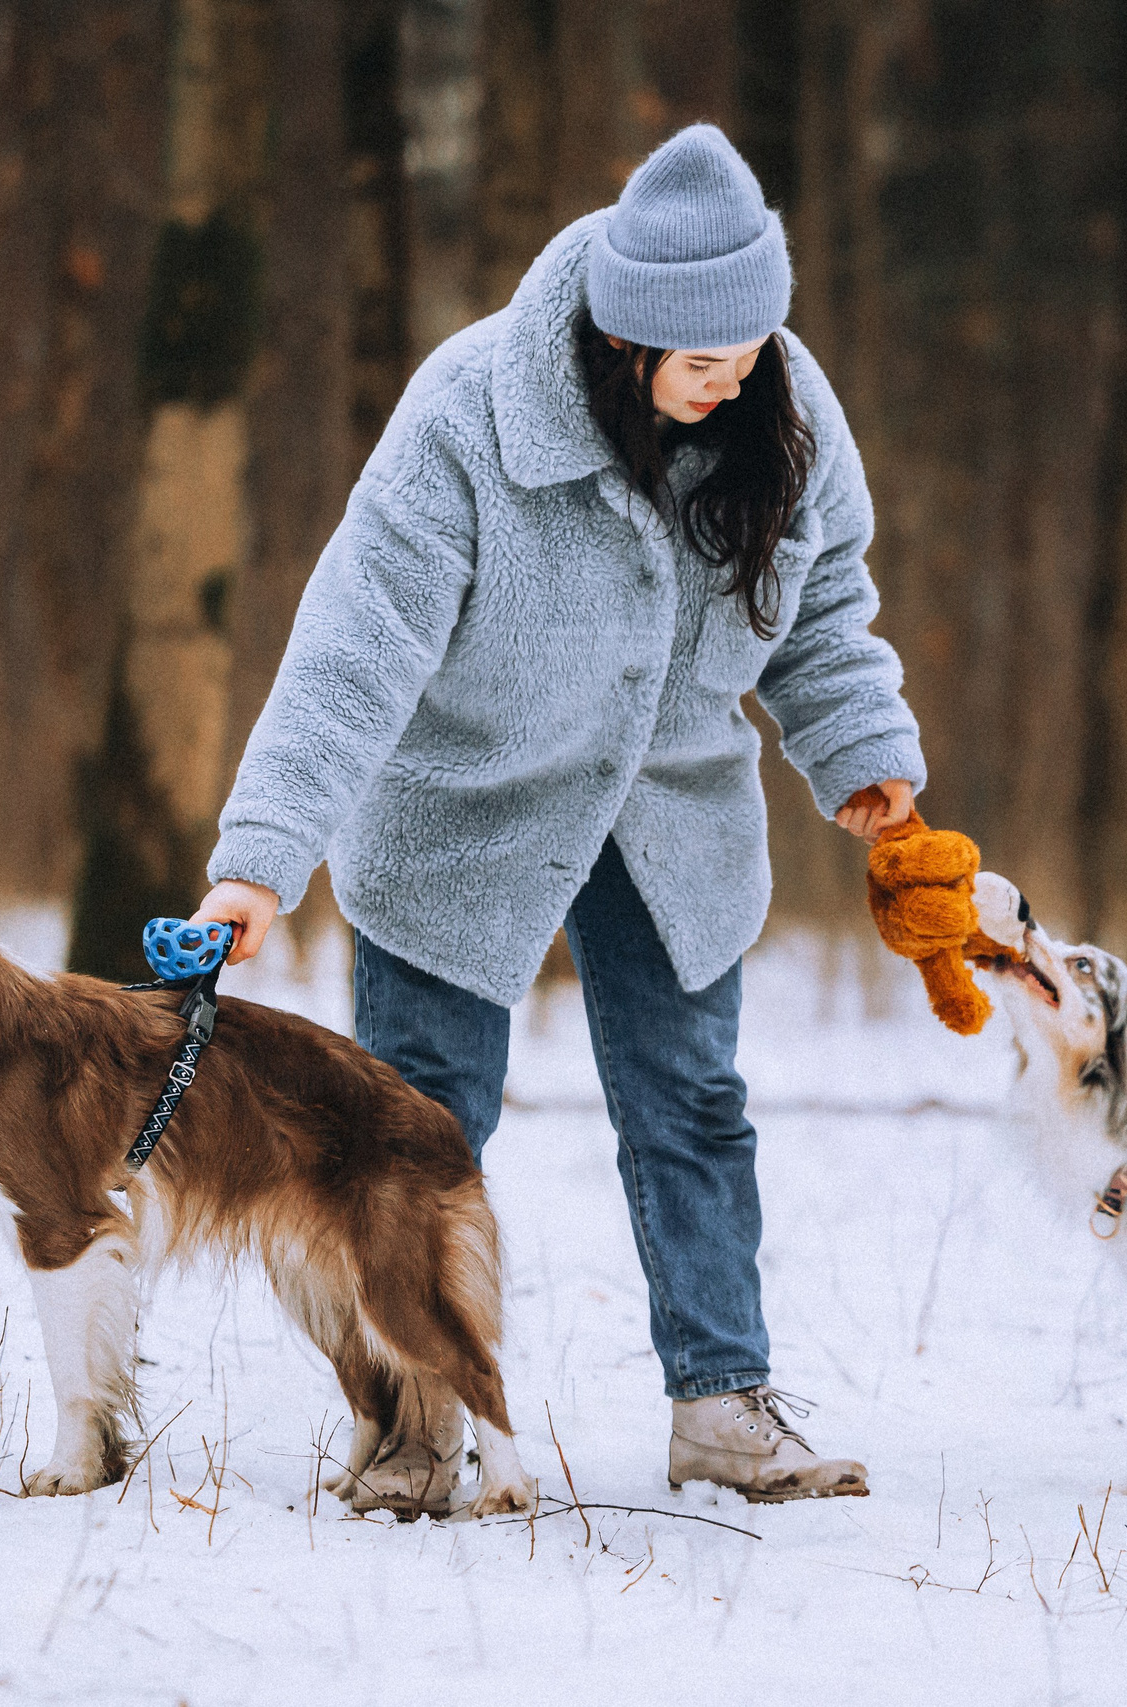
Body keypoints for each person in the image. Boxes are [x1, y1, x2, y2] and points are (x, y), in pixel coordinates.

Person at [191, 124, 922, 1505]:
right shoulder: (470, 410)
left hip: (672, 813)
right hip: (460, 809)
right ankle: (415, 1417)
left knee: (694, 1105)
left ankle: (723, 1404)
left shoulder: (785, 411)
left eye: (753, 350)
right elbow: (353, 647)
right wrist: (263, 860)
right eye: (705, 362)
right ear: (626, 339)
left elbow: (824, 610)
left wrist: (860, 751)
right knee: (415, 1121)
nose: (737, 380)